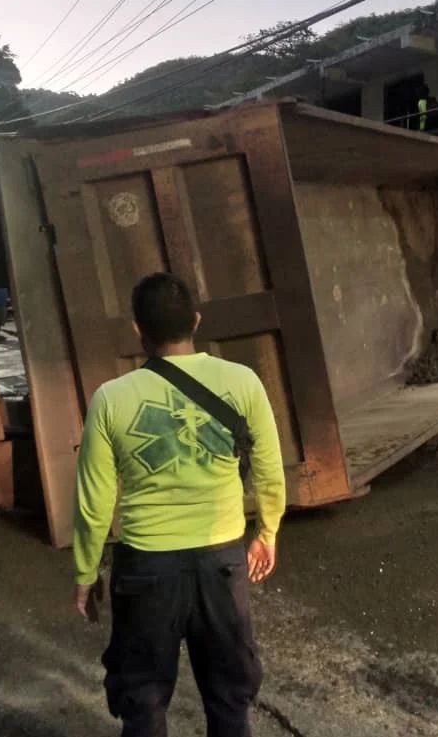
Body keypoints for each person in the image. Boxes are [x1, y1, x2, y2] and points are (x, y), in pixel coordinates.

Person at [73, 272, 286, 737]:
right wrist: (266, 534)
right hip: (222, 562)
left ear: (137, 329)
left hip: (145, 569)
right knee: (230, 700)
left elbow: (93, 503)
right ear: (195, 319)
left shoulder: (110, 399)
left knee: (143, 699)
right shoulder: (243, 382)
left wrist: (87, 574)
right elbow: (270, 471)